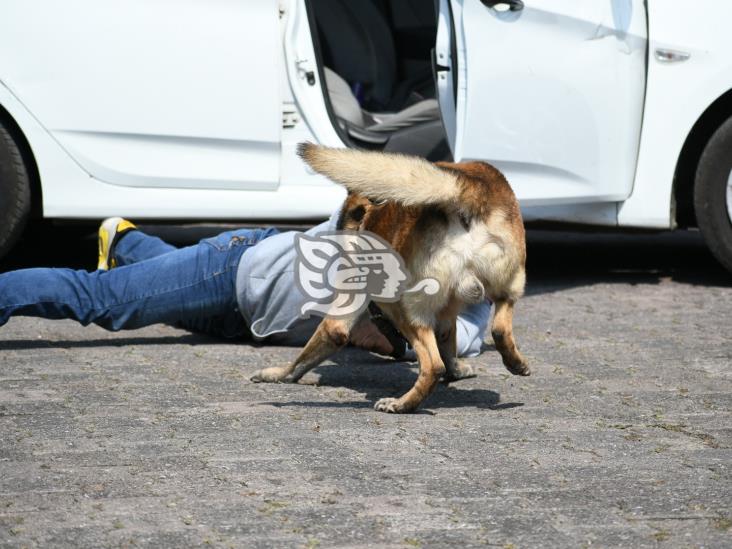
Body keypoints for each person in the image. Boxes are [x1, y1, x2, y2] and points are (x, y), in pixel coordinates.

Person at [0, 212, 491, 359]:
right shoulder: (381, 221)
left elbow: (455, 347)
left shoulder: (473, 305)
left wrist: (405, 340)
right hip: (236, 269)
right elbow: (349, 222)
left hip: (251, 322)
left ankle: (124, 240)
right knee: (108, 304)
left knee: (152, 292)